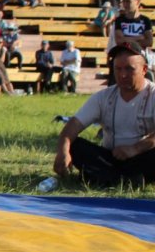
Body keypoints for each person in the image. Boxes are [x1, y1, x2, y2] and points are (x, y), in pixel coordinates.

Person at [54, 43, 155, 188]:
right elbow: (72, 127)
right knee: (74, 145)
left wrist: (135, 149)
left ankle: (106, 177)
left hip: (142, 157)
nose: (123, 75)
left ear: (144, 70)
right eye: (118, 69)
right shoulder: (103, 97)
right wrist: (63, 152)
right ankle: (126, 179)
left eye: (129, 69)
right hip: (110, 158)